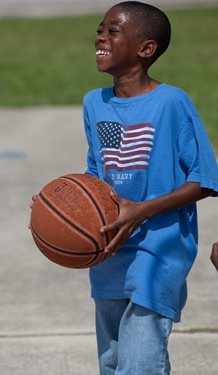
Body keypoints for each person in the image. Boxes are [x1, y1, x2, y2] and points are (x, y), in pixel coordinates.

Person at [83, 1, 218, 374]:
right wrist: (59, 203)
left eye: (113, 31)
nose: (100, 36)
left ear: (146, 49)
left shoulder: (172, 103)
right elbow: (97, 173)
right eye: (100, 28)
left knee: (140, 363)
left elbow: (206, 179)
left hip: (160, 249)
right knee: (113, 362)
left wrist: (141, 209)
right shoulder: (95, 103)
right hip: (110, 249)